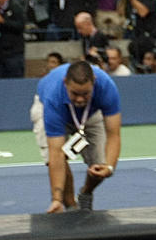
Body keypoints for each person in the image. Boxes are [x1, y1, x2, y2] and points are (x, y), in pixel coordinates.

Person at [36, 60, 121, 212]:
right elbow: (56, 153)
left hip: (91, 114)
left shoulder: (107, 87)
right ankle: (70, 207)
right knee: (54, 158)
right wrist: (56, 198)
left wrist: (109, 167)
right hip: (53, 109)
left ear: (94, 82)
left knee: (100, 166)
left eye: (85, 93)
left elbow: (113, 135)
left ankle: (86, 193)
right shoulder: (53, 97)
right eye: (75, 93)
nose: (80, 99)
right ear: (65, 83)